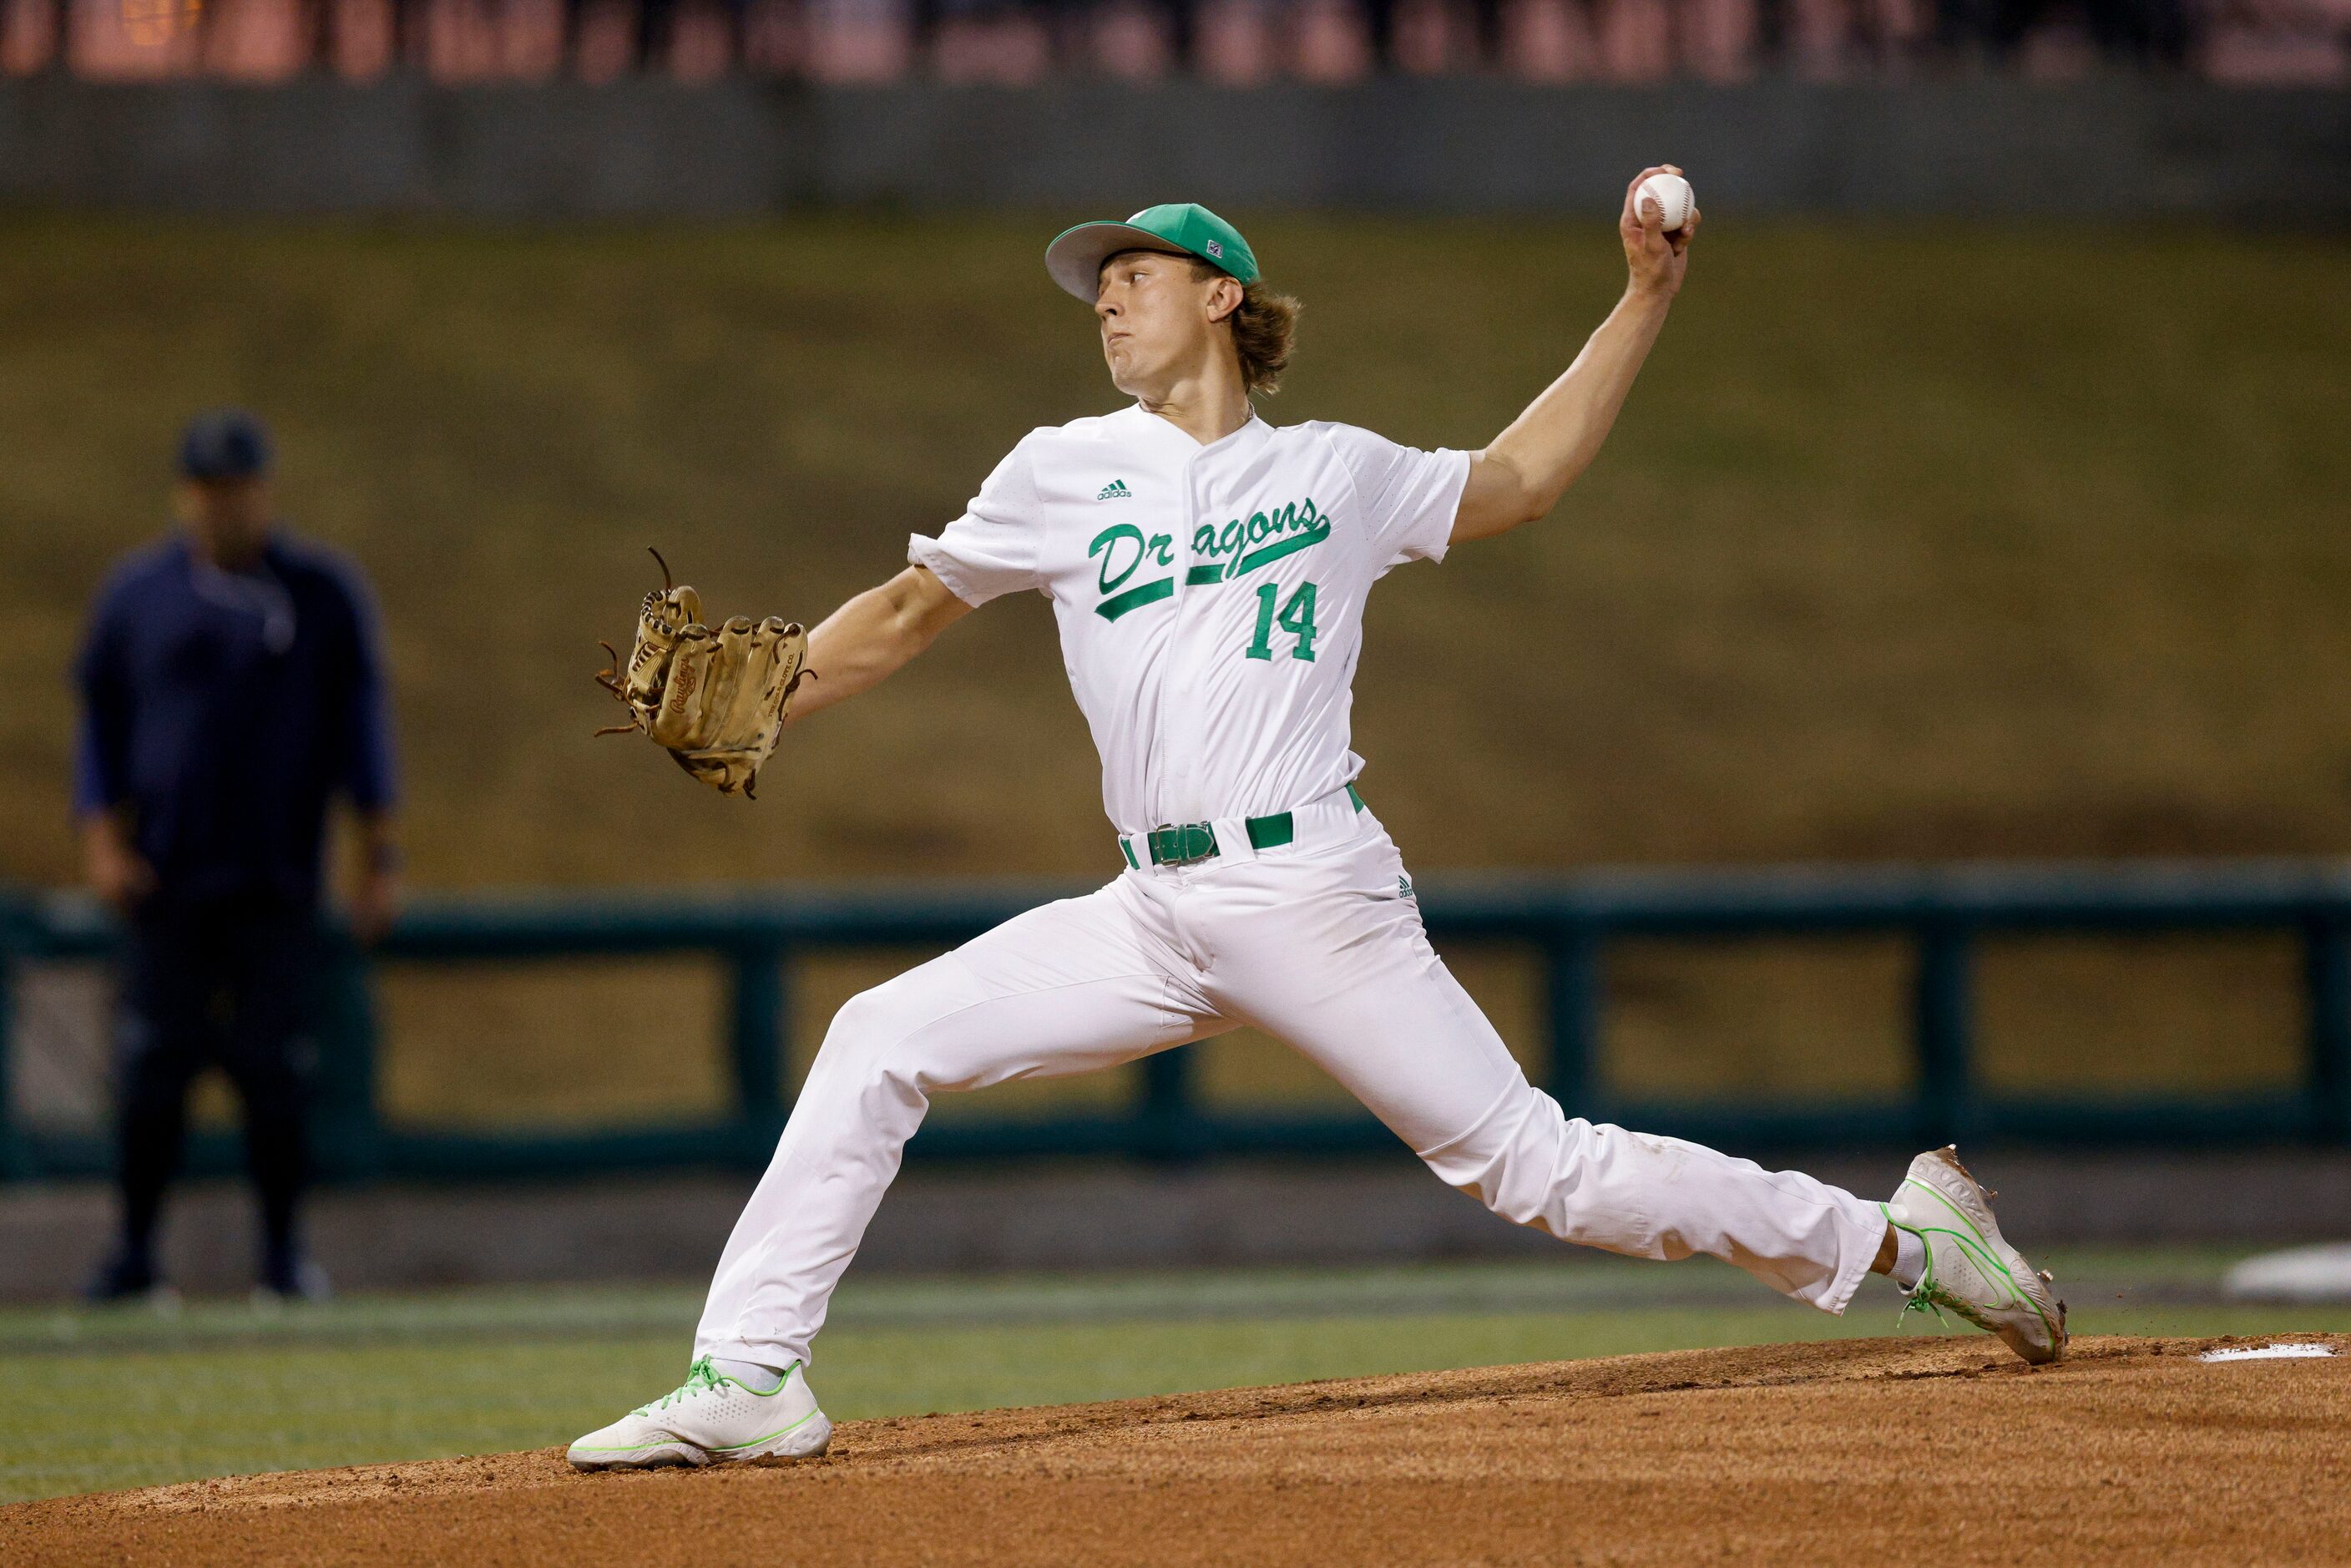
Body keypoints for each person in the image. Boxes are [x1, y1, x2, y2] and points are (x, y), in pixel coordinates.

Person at [568, 174, 2065, 1469]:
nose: (1106, 298)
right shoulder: (1061, 470)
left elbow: (1526, 479)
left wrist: (1641, 296)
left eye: (1134, 274)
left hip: (1313, 891)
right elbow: (899, 617)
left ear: (1220, 294)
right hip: (1149, 913)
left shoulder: (1332, 471)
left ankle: (1897, 1235)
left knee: (1536, 1166)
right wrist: (750, 695)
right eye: (1099, 283)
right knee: (875, 1037)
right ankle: (752, 1375)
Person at [74, 409, 402, 1303]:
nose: (228, 507)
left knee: (274, 1074)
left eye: (242, 488)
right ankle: (134, 1256)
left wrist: (379, 854)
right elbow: (99, 724)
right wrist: (102, 841)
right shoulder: (138, 595)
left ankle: (283, 1259)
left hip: (276, 876)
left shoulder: (320, 594)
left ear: (265, 490)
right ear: (187, 496)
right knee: (152, 1072)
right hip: (167, 877)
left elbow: (360, 728)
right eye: (212, 490)